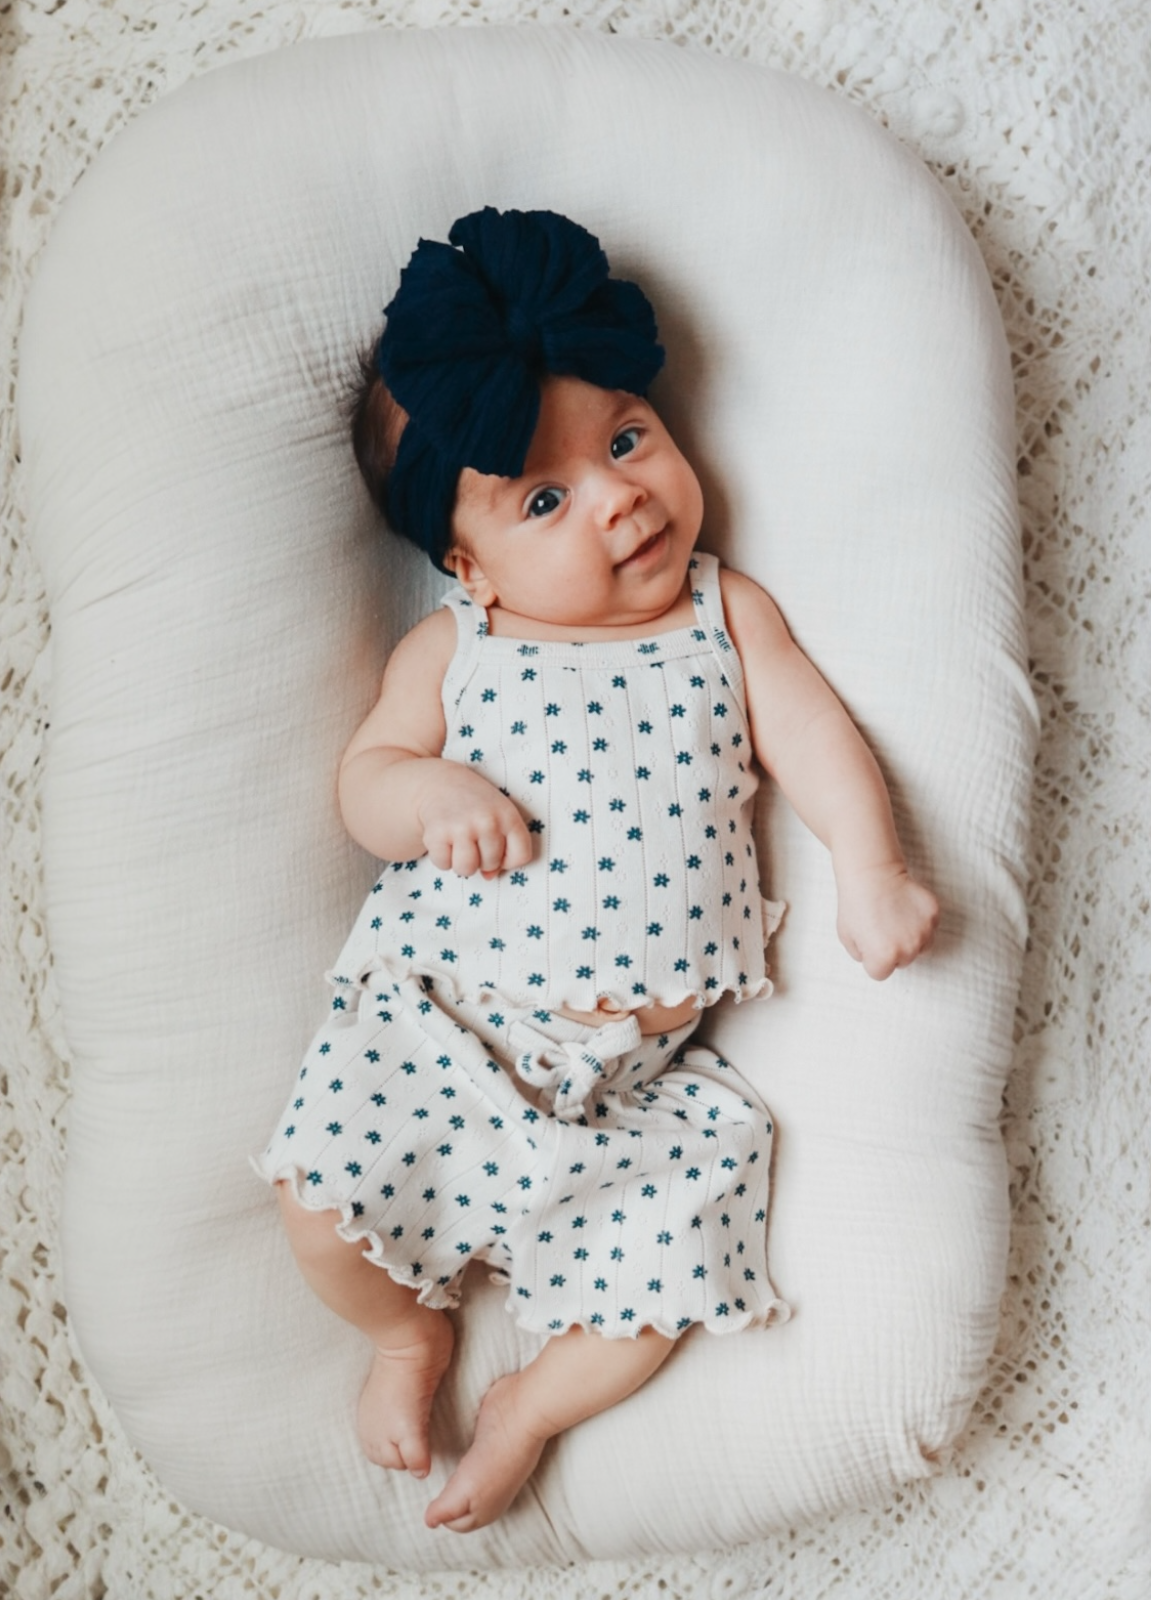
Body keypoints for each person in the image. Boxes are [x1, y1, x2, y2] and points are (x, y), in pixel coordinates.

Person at [254, 207, 939, 1533]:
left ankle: (531, 1405)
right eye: (547, 499)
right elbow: (364, 781)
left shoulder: (721, 614)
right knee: (314, 1209)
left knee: (665, 1285)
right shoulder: (457, 651)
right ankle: (408, 1342)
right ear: (467, 563)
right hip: (441, 1036)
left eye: (628, 439)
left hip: (638, 1092)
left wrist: (874, 864)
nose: (622, 495)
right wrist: (427, 793)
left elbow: (809, 731)